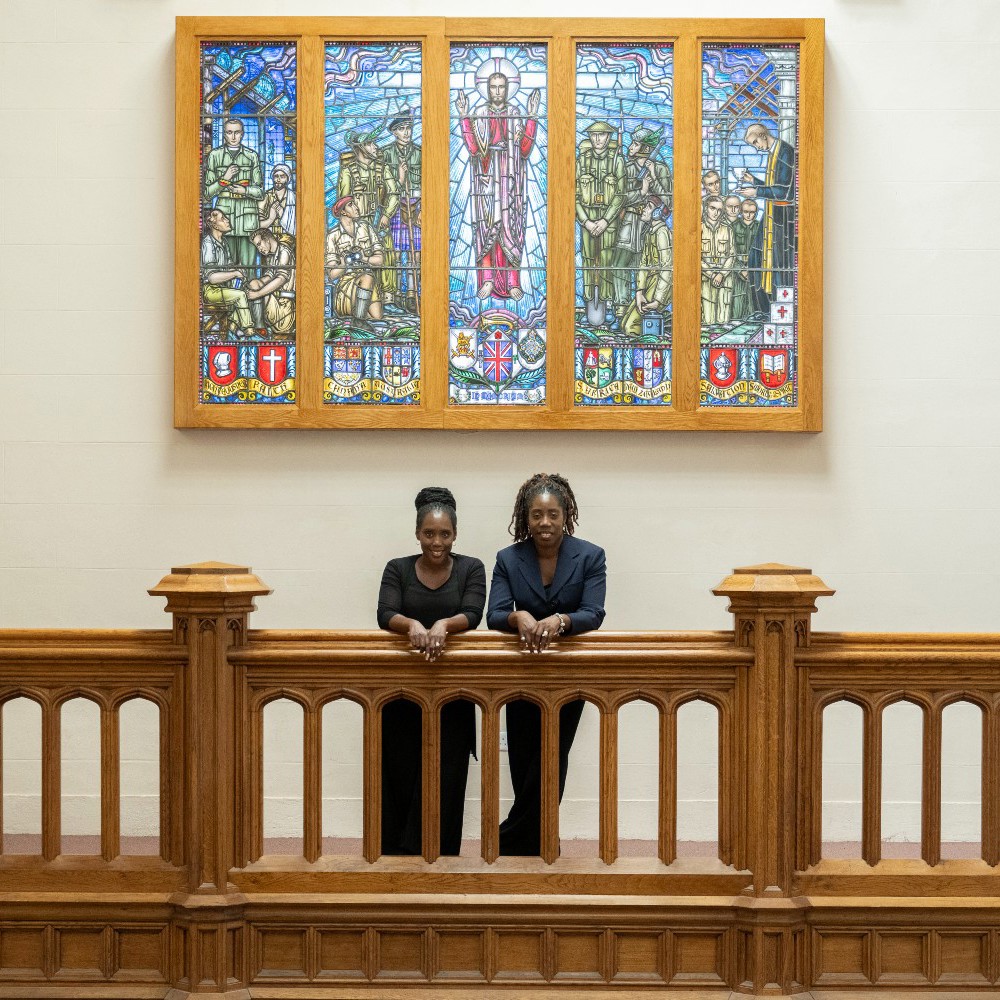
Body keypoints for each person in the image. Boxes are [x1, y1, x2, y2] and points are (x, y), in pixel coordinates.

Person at [486, 474, 607, 856]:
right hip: (519, 674)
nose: (544, 522)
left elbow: (593, 612)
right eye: (536, 514)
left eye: (552, 514)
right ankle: (535, 839)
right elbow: (494, 614)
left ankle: (514, 837)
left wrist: (561, 620)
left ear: (566, 513)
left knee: (554, 755)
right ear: (526, 516)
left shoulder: (591, 555)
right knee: (523, 758)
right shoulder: (508, 558)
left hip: (569, 675)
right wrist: (516, 618)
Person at [377, 487, 487, 856]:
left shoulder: (472, 567)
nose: (436, 542)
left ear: (455, 535)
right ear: (417, 533)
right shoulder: (398, 568)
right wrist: (410, 625)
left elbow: (473, 613)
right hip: (402, 693)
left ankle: (441, 856)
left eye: (444, 534)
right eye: (429, 533)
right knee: (401, 771)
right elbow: (384, 612)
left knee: (447, 775)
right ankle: (397, 857)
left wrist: (442, 625)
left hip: (453, 693)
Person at [456, 62, 541, 301]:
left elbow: (524, 149)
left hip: (511, 183)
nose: (497, 91)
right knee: (485, 231)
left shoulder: (515, 113)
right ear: (486, 89)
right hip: (485, 181)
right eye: (493, 87)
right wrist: (464, 117)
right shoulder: (480, 114)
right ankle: (487, 279)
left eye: (501, 87)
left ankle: (513, 281)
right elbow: (473, 148)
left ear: (507, 89)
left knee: (511, 229)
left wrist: (532, 115)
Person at [738, 123, 795, 304]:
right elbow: (774, 187)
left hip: (783, 217)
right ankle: (762, 307)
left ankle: (776, 306)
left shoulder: (785, 152)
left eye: (756, 142)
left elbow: (784, 191)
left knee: (778, 263)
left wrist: (756, 193)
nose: (757, 147)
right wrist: (754, 181)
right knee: (757, 257)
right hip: (772, 214)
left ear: (763, 135)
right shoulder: (774, 152)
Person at [576, 120, 624, 311]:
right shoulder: (581, 161)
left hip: (609, 219)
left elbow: (621, 194)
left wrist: (605, 220)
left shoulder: (617, 160)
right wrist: (586, 221)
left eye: (602, 134)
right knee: (588, 260)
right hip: (587, 217)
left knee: (606, 260)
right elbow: (574, 195)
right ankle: (589, 301)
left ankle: (606, 301)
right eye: (594, 135)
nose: (597, 139)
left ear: (609, 137)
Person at [203, 118, 264, 266]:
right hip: (224, 218)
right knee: (225, 266)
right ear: (224, 134)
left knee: (248, 267)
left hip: (248, 220)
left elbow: (260, 192)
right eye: (229, 133)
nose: (233, 137)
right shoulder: (215, 156)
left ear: (242, 134)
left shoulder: (252, 156)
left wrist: (245, 190)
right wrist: (224, 179)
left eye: (237, 132)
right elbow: (207, 193)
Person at [380, 109, 422, 312]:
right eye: (402, 129)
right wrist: (400, 178)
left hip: (417, 204)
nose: (407, 133)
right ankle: (394, 293)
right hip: (396, 205)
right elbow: (382, 185)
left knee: (416, 254)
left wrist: (423, 209)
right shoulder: (386, 153)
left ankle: (412, 294)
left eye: (409, 128)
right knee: (395, 253)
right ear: (394, 132)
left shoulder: (420, 152)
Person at [325, 195, 385, 325]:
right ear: (343, 211)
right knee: (367, 277)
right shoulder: (333, 236)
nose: (356, 207)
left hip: (368, 284)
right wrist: (344, 263)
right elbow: (331, 275)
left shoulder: (366, 228)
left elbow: (380, 260)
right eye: (351, 205)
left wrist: (364, 258)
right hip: (345, 288)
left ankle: (359, 316)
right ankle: (358, 321)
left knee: (377, 316)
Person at [620, 195, 672, 337]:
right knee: (624, 324)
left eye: (648, 207)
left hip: (660, 285)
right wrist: (639, 292)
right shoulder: (650, 232)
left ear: (657, 213)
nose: (643, 210)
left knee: (632, 328)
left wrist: (658, 300)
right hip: (649, 282)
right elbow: (643, 264)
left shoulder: (661, 233)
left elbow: (667, 267)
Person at [201, 208, 253, 337]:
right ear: (213, 224)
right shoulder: (208, 243)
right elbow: (212, 278)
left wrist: (237, 270)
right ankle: (249, 330)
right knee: (240, 295)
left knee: (245, 291)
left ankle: (233, 325)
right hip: (210, 290)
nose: (227, 220)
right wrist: (234, 273)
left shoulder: (223, 242)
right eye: (223, 219)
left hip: (223, 288)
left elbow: (228, 267)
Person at [246, 228, 295, 337]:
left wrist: (258, 293)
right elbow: (269, 276)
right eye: (257, 246)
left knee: (257, 288)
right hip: (275, 302)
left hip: (284, 309)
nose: (259, 249)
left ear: (267, 239)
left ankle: (257, 327)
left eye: (259, 244)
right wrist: (253, 284)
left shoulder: (284, 251)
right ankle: (257, 326)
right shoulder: (272, 256)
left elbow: (281, 279)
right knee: (254, 284)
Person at [701, 195, 734, 325]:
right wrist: (712, 274)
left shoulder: (727, 229)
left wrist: (721, 274)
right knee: (708, 320)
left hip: (725, 278)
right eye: (712, 208)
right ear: (706, 209)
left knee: (723, 320)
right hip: (705, 277)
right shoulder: (699, 228)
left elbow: (731, 255)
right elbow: (696, 257)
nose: (716, 213)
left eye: (720, 210)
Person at [258, 162, 296, 240]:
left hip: (289, 238)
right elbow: (257, 224)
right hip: (267, 238)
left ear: (287, 179)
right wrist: (270, 219)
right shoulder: (265, 197)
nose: (278, 179)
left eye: (282, 177)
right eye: (276, 176)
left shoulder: (293, 197)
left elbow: (297, 224)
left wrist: (283, 214)